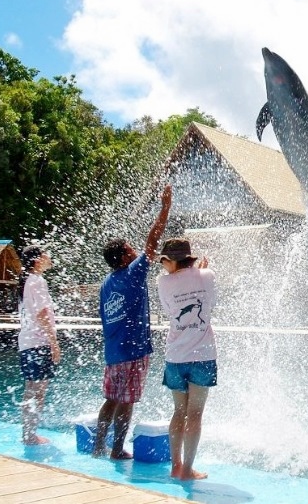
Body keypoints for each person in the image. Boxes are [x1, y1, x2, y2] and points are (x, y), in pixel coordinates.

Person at [93, 184, 172, 460]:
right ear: (125, 257)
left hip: (113, 352)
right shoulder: (133, 273)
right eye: (131, 250)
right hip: (134, 351)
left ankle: (98, 446)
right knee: (127, 402)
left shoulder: (107, 283)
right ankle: (117, 450)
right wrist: (164, 209)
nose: (136, 251)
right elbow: (153, 241)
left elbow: (104, 317)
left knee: (111, 399)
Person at [157, 237, 217, 480]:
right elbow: (210, 305)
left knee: (178, 411)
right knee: (195, 413)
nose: (162, 266)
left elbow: (169, 311)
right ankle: (187, 470)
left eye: (164, 261)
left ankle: (175, 466)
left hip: (175, 357)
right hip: (202, 355)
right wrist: (200, 274)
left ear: (172, 260)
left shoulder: (162, 282)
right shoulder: (208, 275)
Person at [17, 245, 60, 446]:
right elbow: (42, 315)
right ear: (36, 260)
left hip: (26, 342)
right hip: (38, 342)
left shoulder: (28, 281)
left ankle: (28, 433)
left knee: (30, 388)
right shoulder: (38, 281)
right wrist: (54, 343)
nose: (48, 256)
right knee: (38, 391)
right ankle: (30, 435)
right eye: (44, 254)